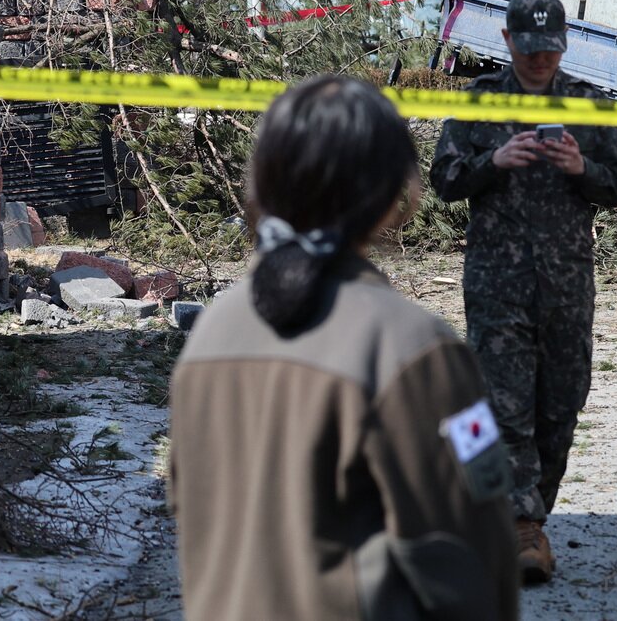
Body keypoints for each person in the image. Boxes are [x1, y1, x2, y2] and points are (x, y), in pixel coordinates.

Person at [170, 75, 519, 621]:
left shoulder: (210, 334)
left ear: (262, 185)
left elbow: (190, 511)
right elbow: (472, 559)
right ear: (393, 194)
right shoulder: (415, 348)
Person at [430, 0, 617, 584]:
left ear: (563, 44)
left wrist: (581, 168)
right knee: (505, 406)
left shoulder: (588, 104)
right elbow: (444, 179)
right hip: (497, 282)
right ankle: (521, 528)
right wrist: (494, 161)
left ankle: (522, 516)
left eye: (550, 48)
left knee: (561, 405)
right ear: (507, 41)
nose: (541, 59)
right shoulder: (481, 101)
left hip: (567, 285)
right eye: (529, 48)